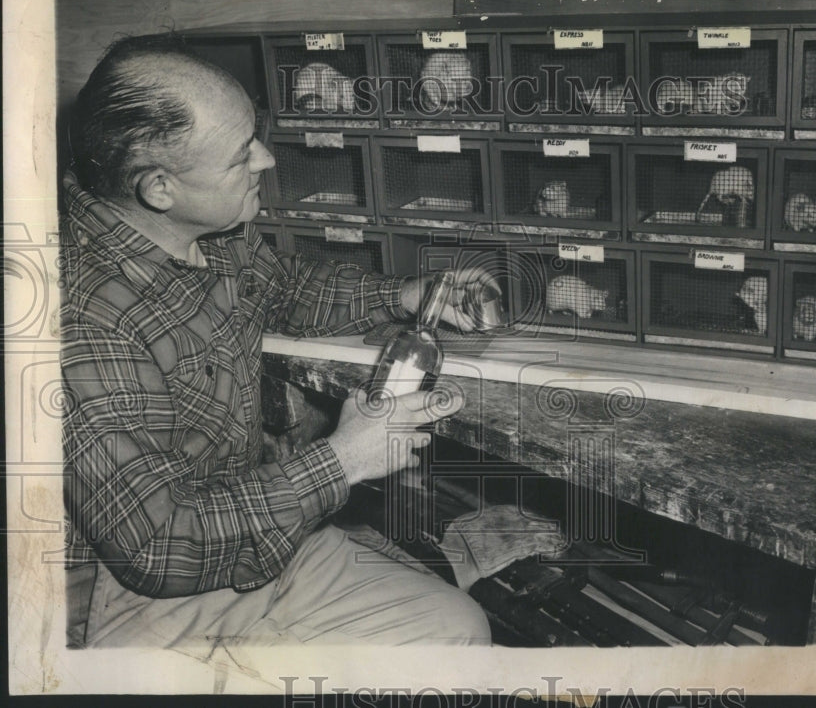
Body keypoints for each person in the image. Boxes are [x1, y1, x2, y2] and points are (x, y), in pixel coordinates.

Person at [60, 34, 494, 648]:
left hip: (251, 521)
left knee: (456, 627)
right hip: (130, 591)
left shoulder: (205, 229)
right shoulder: (79, 317)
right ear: (159, 188)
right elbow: (157, 546)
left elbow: (282, 284)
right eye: (242, 155)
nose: (266, 159)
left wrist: (408, 296)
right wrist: (343, 460)